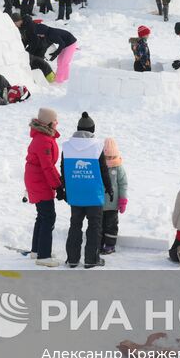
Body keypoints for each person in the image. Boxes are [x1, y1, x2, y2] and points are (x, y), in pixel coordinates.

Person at [61, 112, 110, 269]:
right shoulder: (97, 146)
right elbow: (103, 171)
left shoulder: (67, 147)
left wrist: (64, 188)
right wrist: (109, 187)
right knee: (94, 226)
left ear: (77, 128)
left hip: (75, 193)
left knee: (75, 225)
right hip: (94, 194)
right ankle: (91, 259)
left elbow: (63, 170)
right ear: (93, 129)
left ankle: (72, 259)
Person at [23, 106, 63, 267]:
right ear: (49, 123)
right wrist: (58, 185)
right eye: (55, 121)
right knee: (48, 216)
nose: (57, 123)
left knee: (42, 215)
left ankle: (37, 251)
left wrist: (57, 183)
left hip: (37, 179)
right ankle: (44, 256)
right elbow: (47, 167)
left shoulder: (44, 137)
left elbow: (48, 166)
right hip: (39, 180)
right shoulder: (43, 141)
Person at [100, 136, 128, 256]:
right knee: (99, 225)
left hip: (113, 204)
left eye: (112, 157)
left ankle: (110, 245)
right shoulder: (99, 166)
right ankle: (98, 244)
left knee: (111, 225)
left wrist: (123, 200)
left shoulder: (118, 167)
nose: (110, 159)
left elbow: (123, 184)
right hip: (99, 203)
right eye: (107, 157)